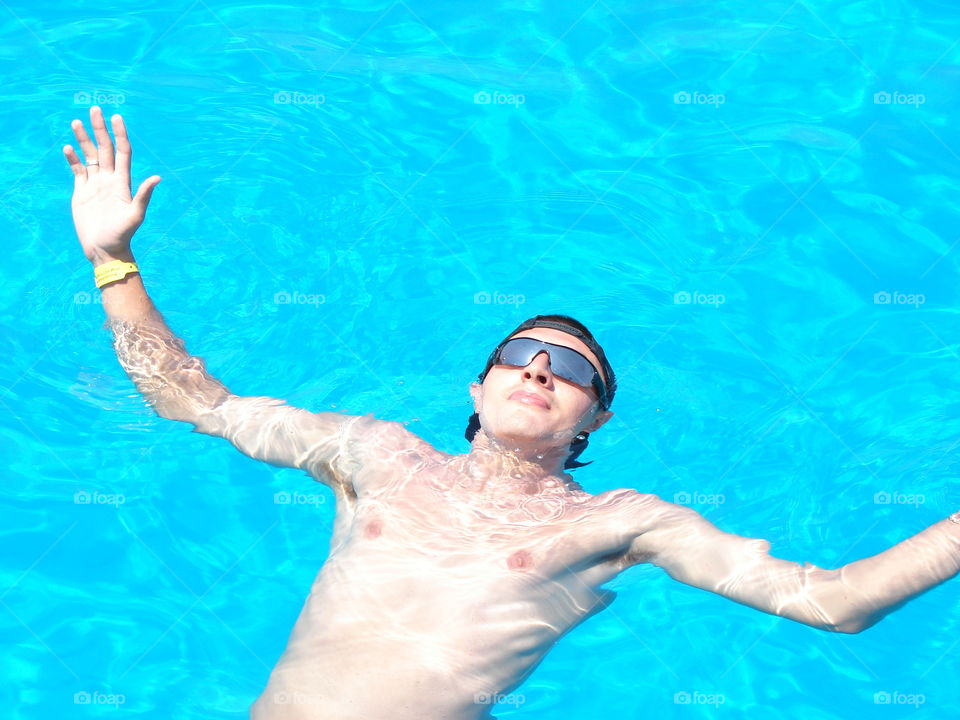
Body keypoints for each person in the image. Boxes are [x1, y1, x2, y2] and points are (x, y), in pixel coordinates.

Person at [65, 106, 960, 720]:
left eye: (569, 368)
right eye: (519, 354)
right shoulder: (375, 453)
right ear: (478, 389)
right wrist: (113, 261)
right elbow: (193, 402)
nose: (538, 367)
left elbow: (834, 602)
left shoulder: (621, 522)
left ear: (593, 420)